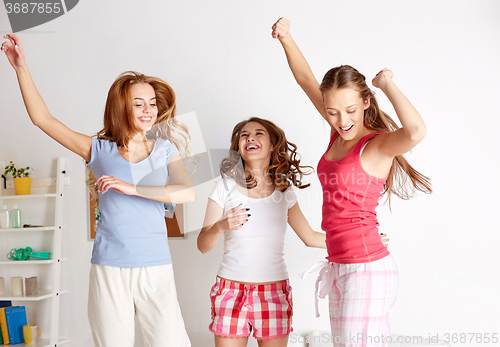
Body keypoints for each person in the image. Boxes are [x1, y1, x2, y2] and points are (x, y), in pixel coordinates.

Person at [2, 34, 193, 347]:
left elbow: (186, 192)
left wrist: (131, 189)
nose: (148, 109)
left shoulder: (165, 150)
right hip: (109, 265)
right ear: (121, 107)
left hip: (155, 264)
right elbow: (42, 119)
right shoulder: (99, 150)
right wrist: (21, 67)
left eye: (152, 103)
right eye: (138, 103)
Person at [271, 18, 432, 347]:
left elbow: (416, 131)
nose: (342, 120)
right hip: (340, 264)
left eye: (350, 110)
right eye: (332, 112)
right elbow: (305, 79)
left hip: (367, 269)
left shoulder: (376, 145)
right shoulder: (337, 133)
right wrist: (286, 38)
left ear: (366, 103)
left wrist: (387, 83)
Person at [197, 117, 389, 347]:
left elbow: (310, 237)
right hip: (230, 290)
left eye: (259, 133)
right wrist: (220, 226)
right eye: (244, 135)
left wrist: (362, 239)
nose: (250, 138)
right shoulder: (224, 186)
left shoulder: (284, 190)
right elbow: (203, 245)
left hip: (273, 292)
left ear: (272, 145)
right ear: (238, 147)